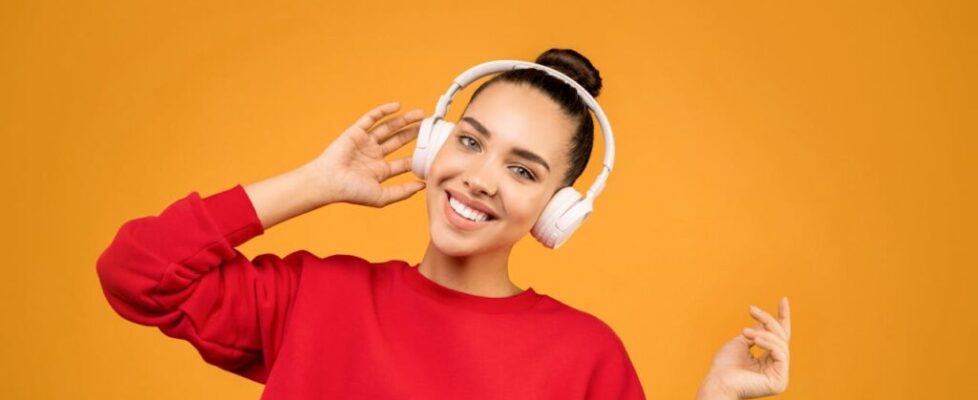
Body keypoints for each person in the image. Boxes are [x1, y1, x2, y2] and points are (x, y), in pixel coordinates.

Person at [97, 48, 791, 399]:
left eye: (523, 170)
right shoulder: (315, 297)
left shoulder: (584, 357)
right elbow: (136, 273)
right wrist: (313, 185)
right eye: (470, 140)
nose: (481, 177)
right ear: (433, 148)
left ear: (557, 210)